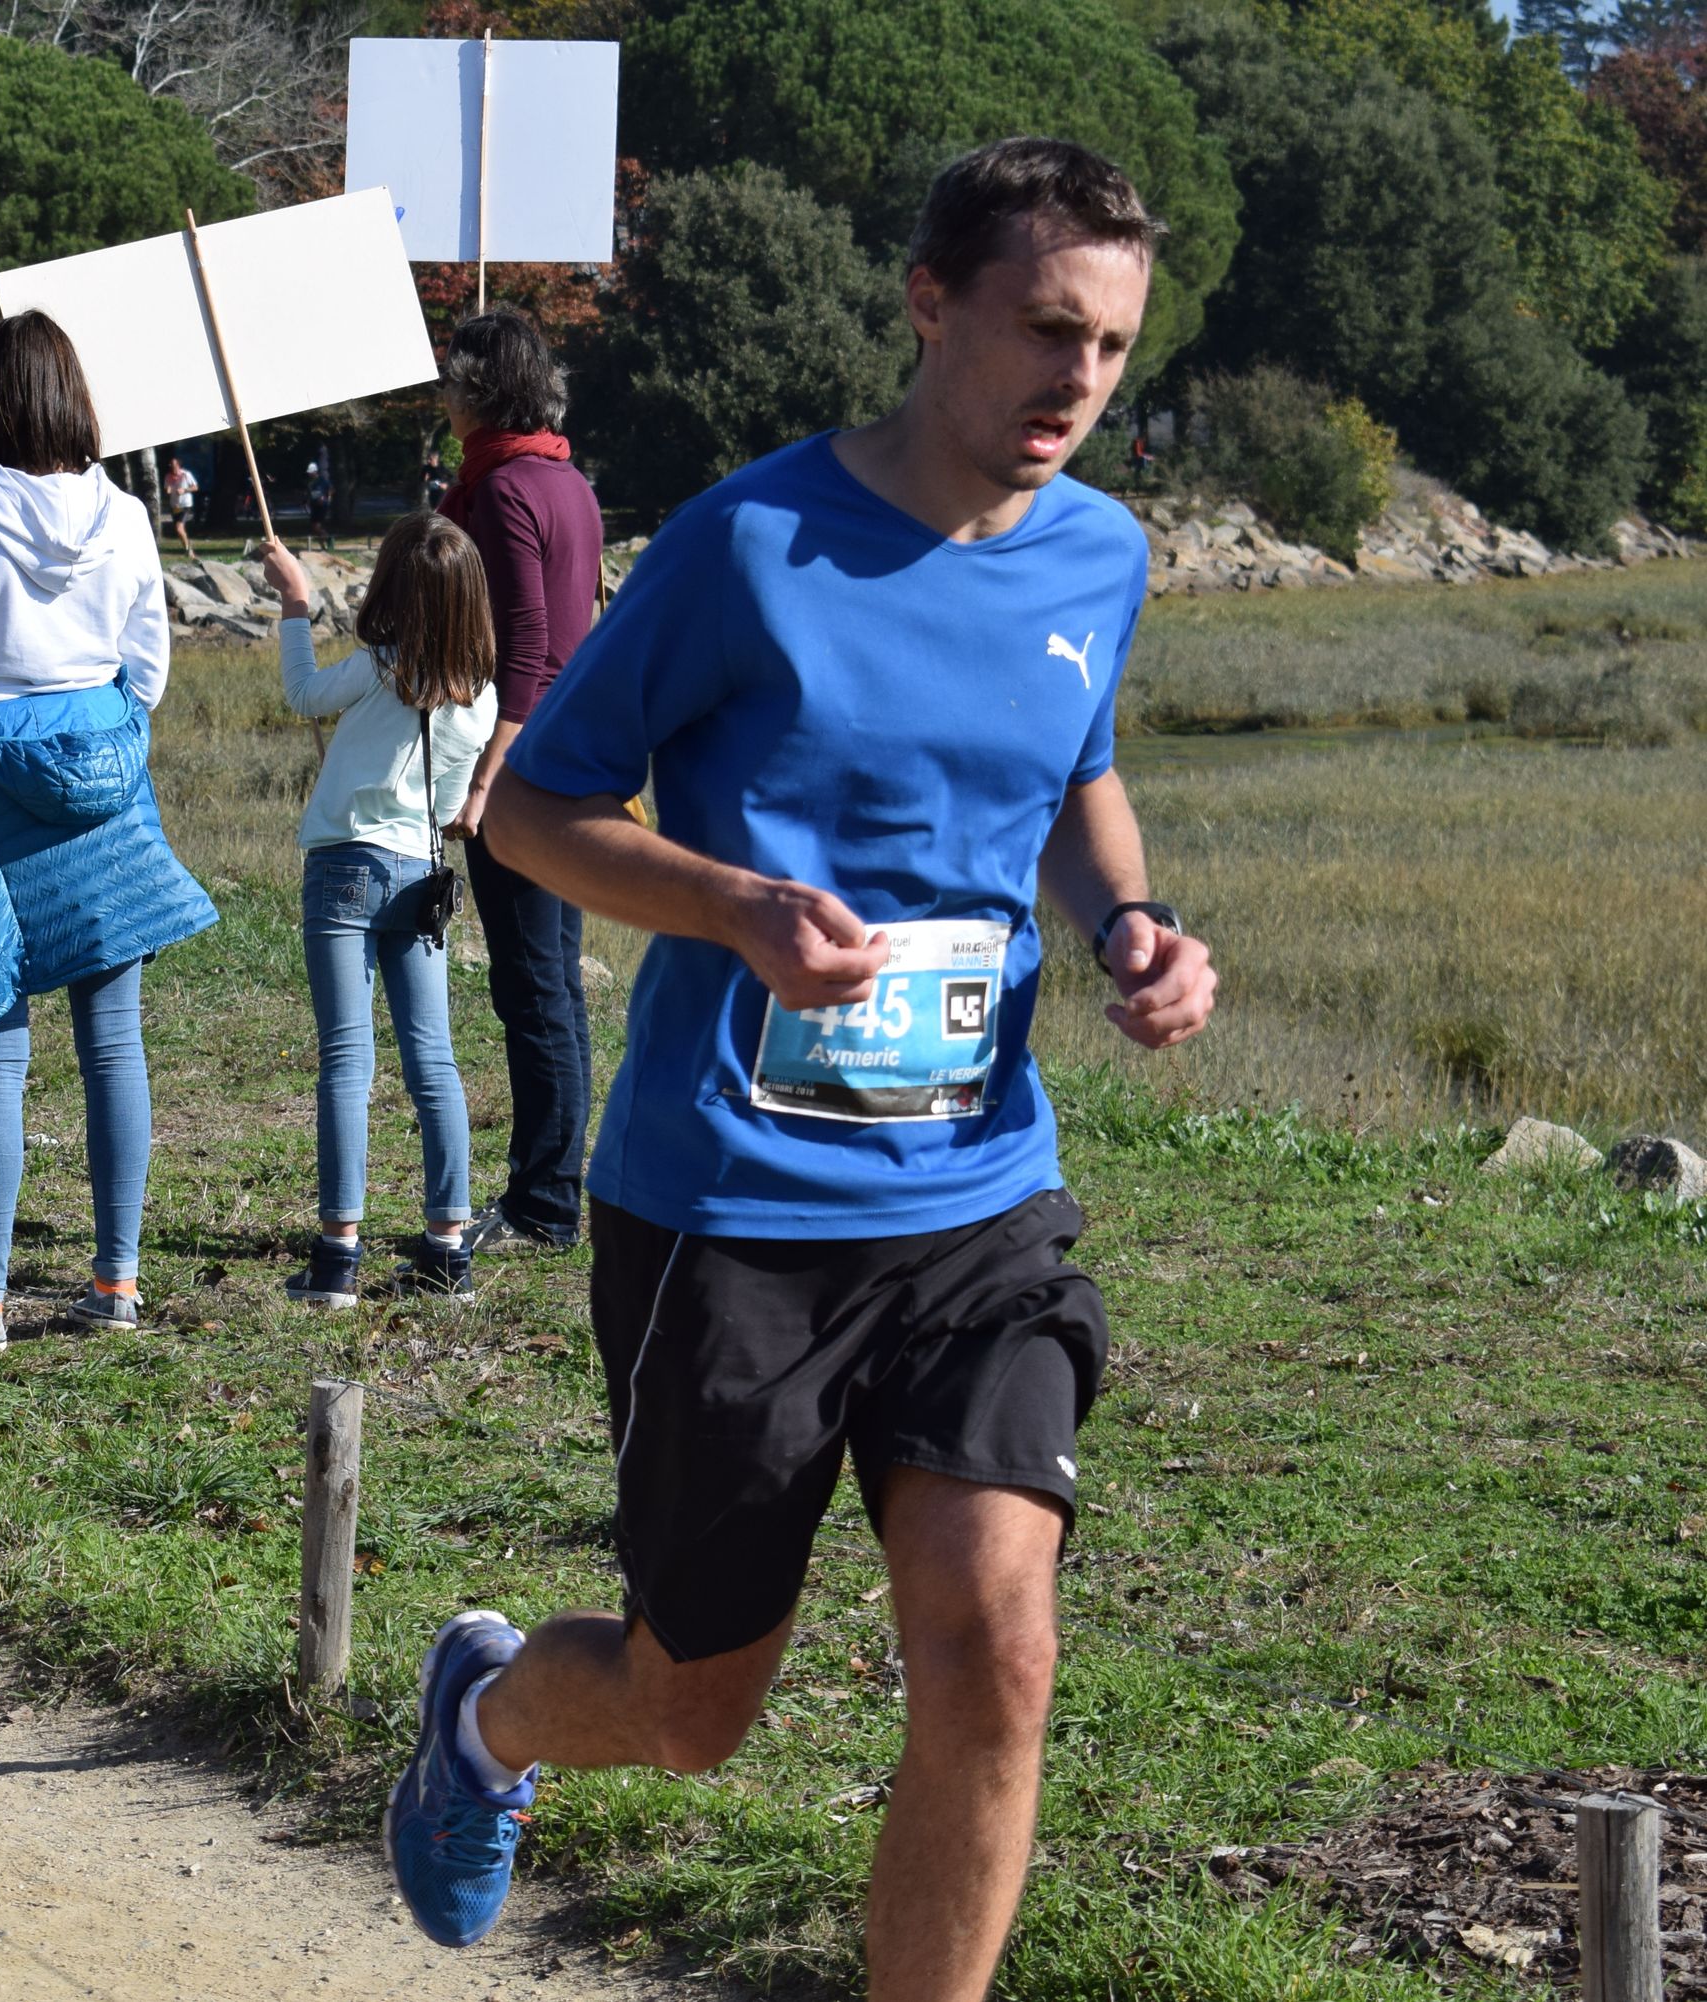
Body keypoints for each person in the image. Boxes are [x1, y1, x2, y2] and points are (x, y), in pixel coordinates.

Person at [381, 142, 1221, 1996]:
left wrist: (1129, 922)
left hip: (977, 1198)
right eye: (1045, 329)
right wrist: (735, 906)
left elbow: (1074, 769)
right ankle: (490, 1716)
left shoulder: (1100, 552)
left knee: (999, 1650)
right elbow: (531, 810)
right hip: (732, 1209)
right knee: (692, 1707)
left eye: (1110, 347)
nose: (1079, 380)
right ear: (929, 302)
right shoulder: (751, 543)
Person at [0, 310, 214, 1359]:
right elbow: (149, 673)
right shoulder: (127, 515)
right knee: (114, 1043)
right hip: (107, 805)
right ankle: (117, 1281)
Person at [267, 515, 495, 1308]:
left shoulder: (376, 667)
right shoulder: (481, 697)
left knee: (346, 1060)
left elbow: (301, 694)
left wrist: (295, 603)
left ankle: (337, 1259)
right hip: (419, 877)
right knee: (433, 1061)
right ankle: (448, 1251)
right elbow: (447, 806)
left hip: (345, 868)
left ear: (392, 588)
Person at [434, 308, 605, 1260]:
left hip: (525, 769)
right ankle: (554, 1189)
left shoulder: (502, 490)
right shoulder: (564, 479)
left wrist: (486, 780)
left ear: (482, 389)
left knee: (535, 990)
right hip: (569, 757)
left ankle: (544, 1205)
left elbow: (531, 648)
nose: (442, 395)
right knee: (553, 988)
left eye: (453, 379)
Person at [161, 454, 199, 561]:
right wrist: (168, 490)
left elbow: (195, 487)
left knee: (179, 527)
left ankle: (188, 549)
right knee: (179, 531)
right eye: (170, 465)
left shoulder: (186, 474)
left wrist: (185, 490)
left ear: (178, 465)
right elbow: (167, 489)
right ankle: (188, 550)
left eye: (173, 464)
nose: (171, 466)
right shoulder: (168, 476)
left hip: (185, 505)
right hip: (174, 505)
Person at [306, 457, 337, 552]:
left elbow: (331, 489)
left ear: (315, 472)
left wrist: (328, 498)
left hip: (322, 506)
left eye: (311, 472)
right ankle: (323, 547)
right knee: (314, 527)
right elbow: (310, 494)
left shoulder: (322, 480)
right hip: (314, 506)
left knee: (317, 526)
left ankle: (329, 539)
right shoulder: (310, 483)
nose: (310, 474)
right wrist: (308, 502)